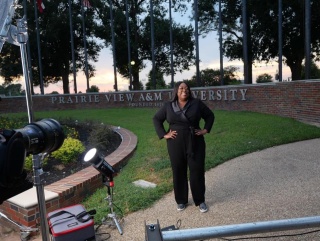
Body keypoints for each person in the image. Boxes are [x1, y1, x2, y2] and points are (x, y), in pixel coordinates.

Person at [153, 81, 214, 213]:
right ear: (176, 91)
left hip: (195, 141)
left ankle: (200, 200)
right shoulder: (168, 106)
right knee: (178, 171)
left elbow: (210, 116)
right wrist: (164, 134)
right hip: (175, 143)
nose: (184, 90)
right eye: (181, 88)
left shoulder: (196, 103)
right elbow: (157, 119)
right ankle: (181, 201)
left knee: (196, 170)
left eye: (186, 88)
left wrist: (205, 130)